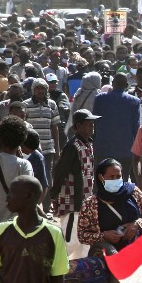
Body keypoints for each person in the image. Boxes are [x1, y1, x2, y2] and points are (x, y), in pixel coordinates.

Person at [50, 109, 99, 259]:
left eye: (92, 124)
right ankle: (51, 272)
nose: (91, 127)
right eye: (88, 124)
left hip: (85, 201)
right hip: (73, 202)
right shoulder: (73, 146)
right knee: (70, 241)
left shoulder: (88, 144)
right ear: (78, 126)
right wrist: (54, 196)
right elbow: (60, 172)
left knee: (85, 244)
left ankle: (77, 276)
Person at [92, 73, 142, 180]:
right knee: (121, 182)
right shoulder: (134, 101)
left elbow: (94, 123)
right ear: (127, 84)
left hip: (103, 148)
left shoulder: (100, 99)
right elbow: (136, 127)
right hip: (125, 150)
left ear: (112, 83)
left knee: (101, 181)